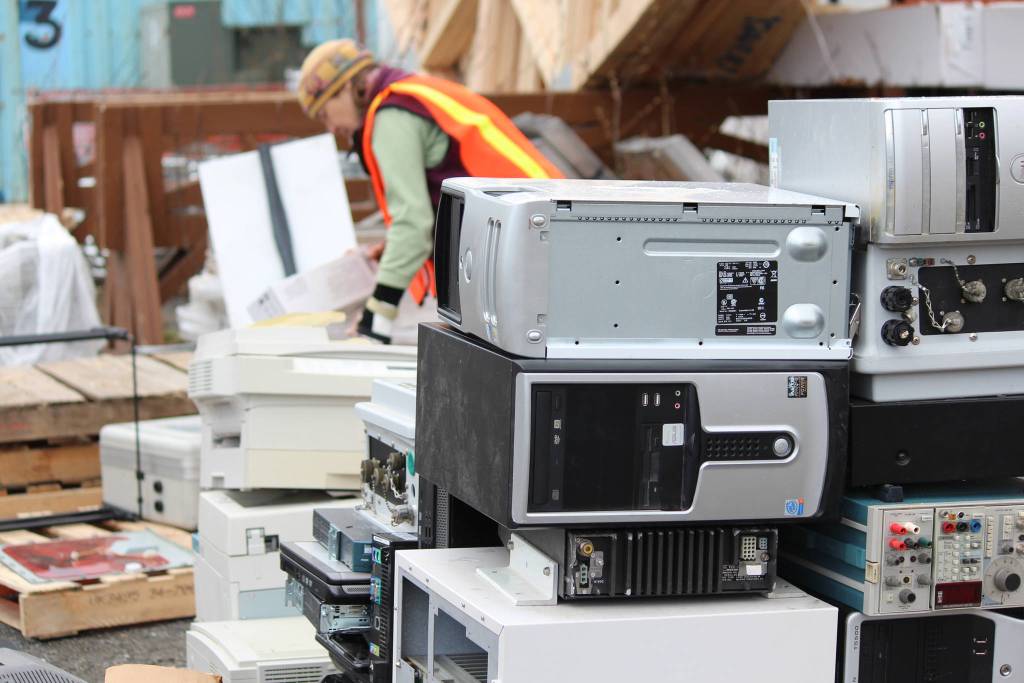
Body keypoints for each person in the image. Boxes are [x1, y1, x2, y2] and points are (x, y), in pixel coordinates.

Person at [297, 39, 563, 343]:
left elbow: (413, 226)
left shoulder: (391, 117)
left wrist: (375, 319)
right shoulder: (416, 92)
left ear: (344, 88)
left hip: (530, 244)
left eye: (324, 113)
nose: (330, 128)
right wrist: (394, 246)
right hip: (548, 229)